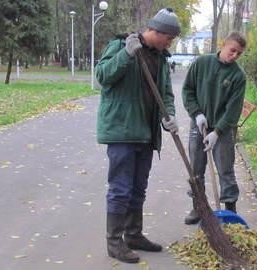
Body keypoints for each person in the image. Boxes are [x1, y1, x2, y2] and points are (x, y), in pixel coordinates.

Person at [95, 7, 180, 263]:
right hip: (122, 130)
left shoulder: (162, 58)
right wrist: (125, 55)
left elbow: (165, 93)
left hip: (147, 132)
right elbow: (102, 76)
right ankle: (114, 242)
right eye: (169, 37)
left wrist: (170, 116)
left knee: (138, 189)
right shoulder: (123, 45)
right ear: (157, 31)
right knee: (121, 189)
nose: (170, 42)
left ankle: (133, 235)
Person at [182, 32, 247, 225]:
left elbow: (233, 110)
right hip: (199, 124)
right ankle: (198, 207)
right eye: (232, 50)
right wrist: (197, 113)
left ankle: (230, 211)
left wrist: (217, 132)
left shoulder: (238, 76)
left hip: (223, 129)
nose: (234, 55)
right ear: (224, 44)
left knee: (225, 170)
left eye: (239, 53)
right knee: (196, 169)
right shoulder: (201, 63)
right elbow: (188, 91)